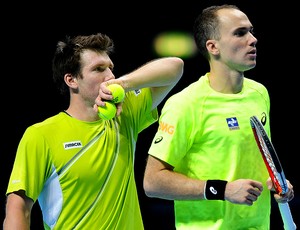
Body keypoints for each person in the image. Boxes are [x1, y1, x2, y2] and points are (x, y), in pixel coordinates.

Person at [3, 33, 184, 229]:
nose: (110, 77)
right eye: (99, 69)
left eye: (110, 68)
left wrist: (124, 84)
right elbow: (18, 208)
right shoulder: (41, 135)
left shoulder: (125, 114)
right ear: (71, 80)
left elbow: (175, 67)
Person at [143, 4, 295, 229]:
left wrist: (278, 184)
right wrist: (223, 190)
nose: (253, 39)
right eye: (240, 33)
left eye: (251, 31)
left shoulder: (259, 93)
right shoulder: (185, 104)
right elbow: (152, 182)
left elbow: (254, 160)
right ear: (213, 47)